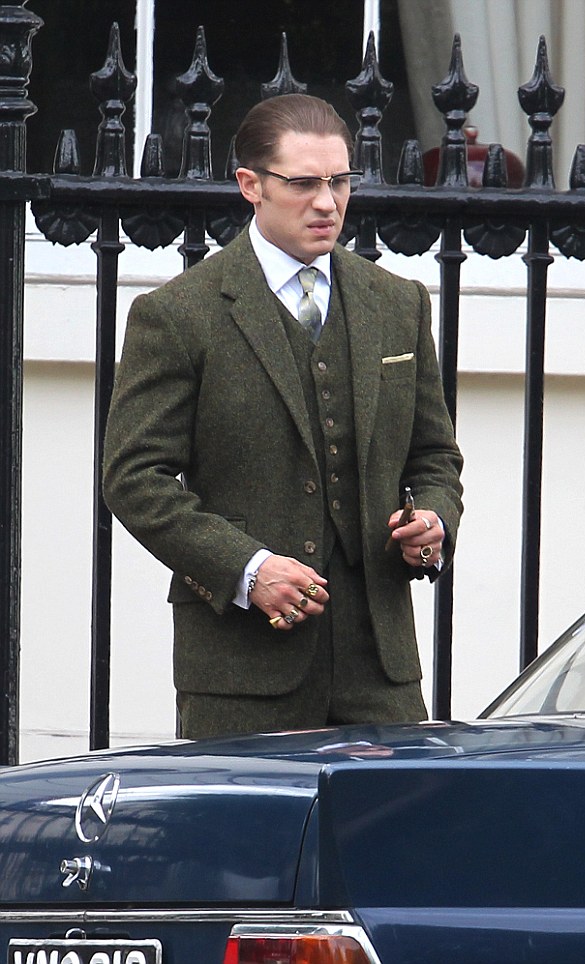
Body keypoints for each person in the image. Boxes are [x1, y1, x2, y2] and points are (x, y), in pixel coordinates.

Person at [103, 93, 463, 739]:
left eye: (340, 181)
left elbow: (433, 455)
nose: (327, 203)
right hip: (241, 669)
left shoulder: (398, 303)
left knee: (392, 808)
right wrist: (248, 569)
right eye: (303, 184)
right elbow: (135, 478)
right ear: (251, 185)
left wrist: (433, 520)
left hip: (380, 668)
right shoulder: (178, 314)